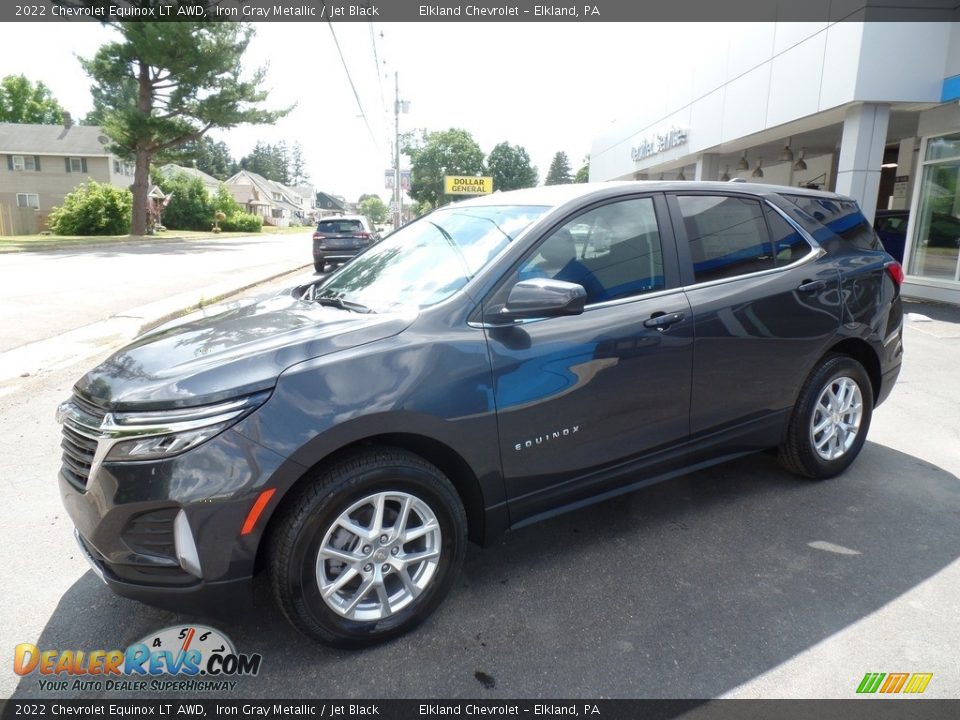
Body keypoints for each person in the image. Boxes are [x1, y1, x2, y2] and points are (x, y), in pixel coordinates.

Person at [525, 228, 606, 303]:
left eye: (554, 244)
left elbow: (600, 303)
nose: (548, 248)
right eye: (545, 245)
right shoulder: (537, 268)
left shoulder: (580, 273)